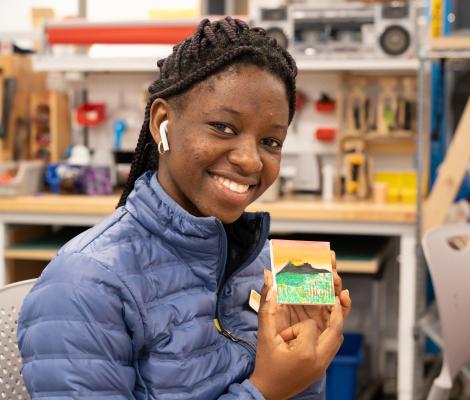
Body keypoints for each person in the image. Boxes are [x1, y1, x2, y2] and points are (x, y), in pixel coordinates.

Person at [17, 17, 351, 399]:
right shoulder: (85, 284)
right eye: (223, 128)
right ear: (162, 122)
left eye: (271, 141)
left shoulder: (261, 267)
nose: (251, 161)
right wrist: (266, 390)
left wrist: (306, 357)